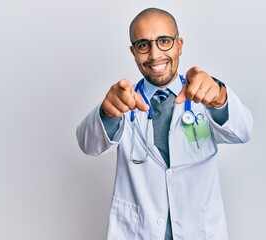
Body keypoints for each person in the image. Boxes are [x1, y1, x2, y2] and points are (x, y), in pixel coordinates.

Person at [76, 7, 253, 240]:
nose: (154, 54)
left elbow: (243, 131)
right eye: (143, 45)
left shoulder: (204, 96)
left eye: (164, 41)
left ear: (179, 45)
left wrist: (220, 98)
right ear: (133, 52)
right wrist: (107, 113)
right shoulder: (124, 101)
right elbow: (88, 144)